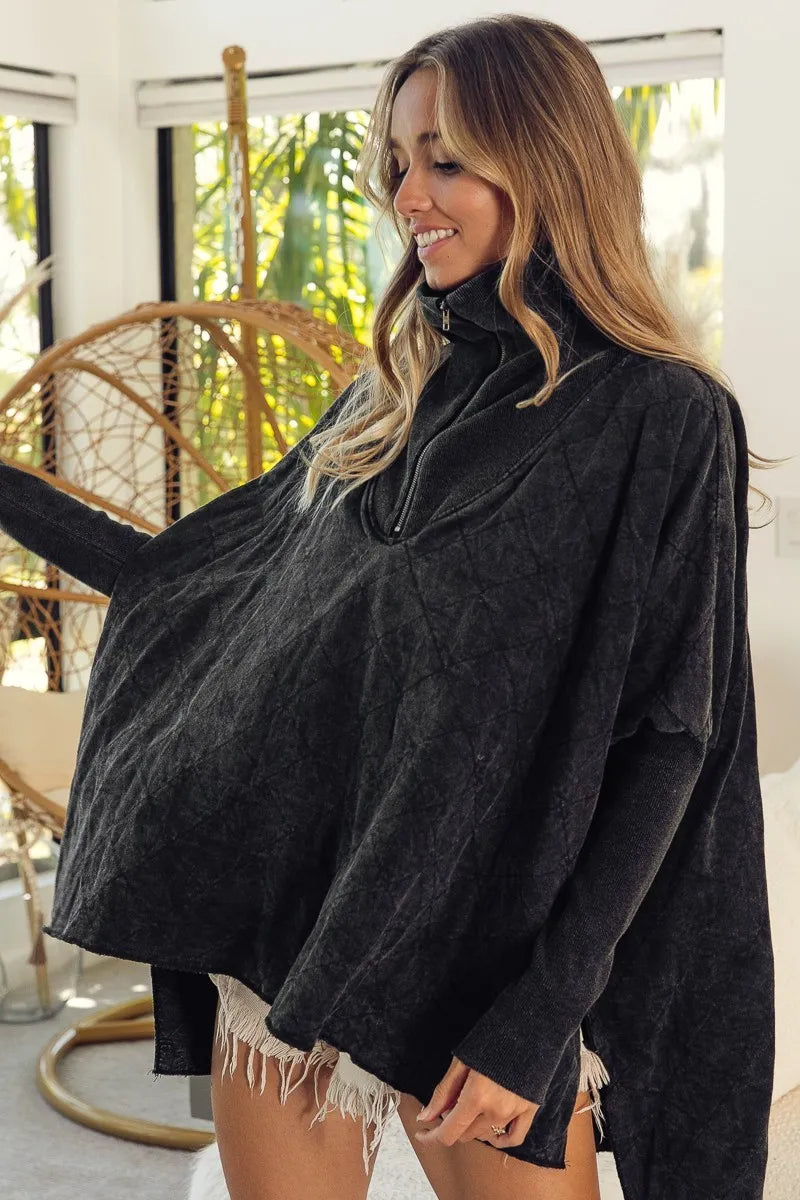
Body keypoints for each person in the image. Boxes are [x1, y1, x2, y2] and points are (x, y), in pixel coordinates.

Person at [0, 15, 776, 1200]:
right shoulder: (392, 390)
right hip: (301, 951)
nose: (408, 192)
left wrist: (537, 1014)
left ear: (549, 158)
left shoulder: (658, 418)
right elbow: (198, 583)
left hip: (490, 969)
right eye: (397, 160)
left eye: (446, 158)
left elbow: (668, 746)